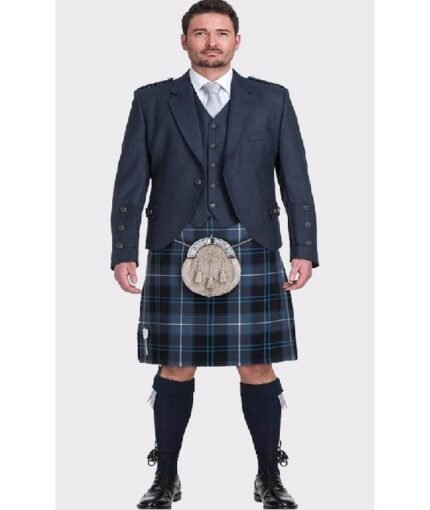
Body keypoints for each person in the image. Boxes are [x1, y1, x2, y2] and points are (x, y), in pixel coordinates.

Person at [110, 1, 319, 508]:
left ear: (237, 41)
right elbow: (130, 181)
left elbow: (296, 178)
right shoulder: (151, 100)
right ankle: (166, 477)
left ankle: (269, 476)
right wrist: (122, 250)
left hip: (253, 244)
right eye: (200, 33)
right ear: (183, 40)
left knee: (258, 365)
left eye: (221, 33)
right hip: (174, 245)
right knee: (174, 365)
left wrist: (305, 248)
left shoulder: (271, 99)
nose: (211, 42)